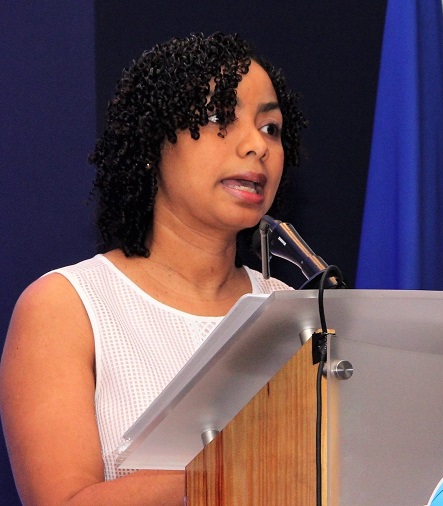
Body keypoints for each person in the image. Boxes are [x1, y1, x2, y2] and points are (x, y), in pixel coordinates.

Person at [0, 32, 307, 505]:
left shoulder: (299, 314)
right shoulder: (67, 307)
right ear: (152, 144)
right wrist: (233, 469)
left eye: (270, 127)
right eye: (219, 118)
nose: (256, 146)